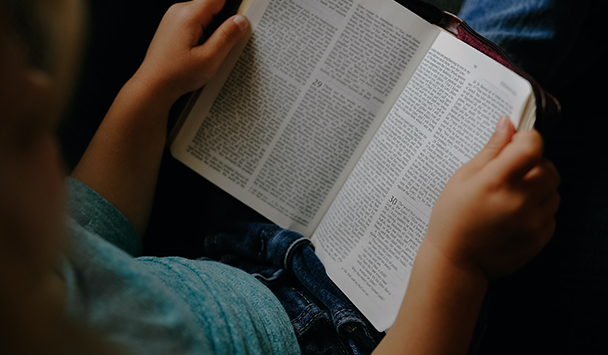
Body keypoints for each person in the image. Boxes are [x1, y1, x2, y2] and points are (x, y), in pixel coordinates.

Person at [0, 0, 560, 354]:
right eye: (30, 135)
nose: (55, 152)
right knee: (509, 52)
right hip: (371, 318)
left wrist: (149, 93)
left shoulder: (25, 266)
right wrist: (457, 260)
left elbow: (94, 227)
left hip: (232, 248)